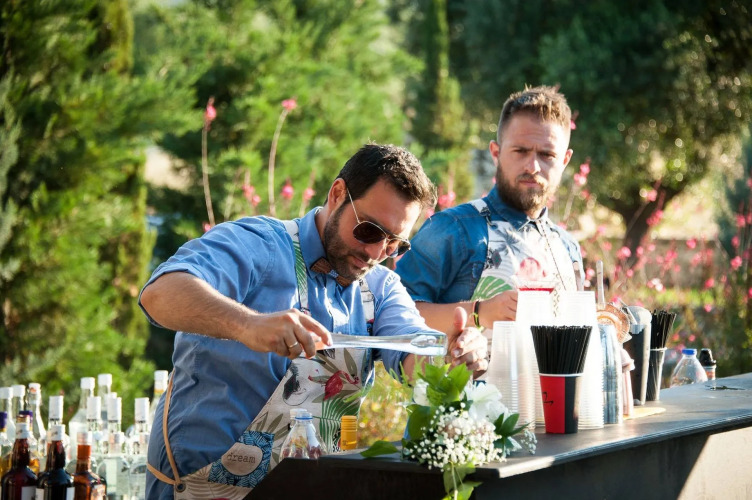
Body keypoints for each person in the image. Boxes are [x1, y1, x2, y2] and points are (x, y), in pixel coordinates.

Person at [139, 143, 489, 499]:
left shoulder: (381, 289)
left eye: (393, 244)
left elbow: (413, 351)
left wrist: (450, 357)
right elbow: (159, 294)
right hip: (200, 490)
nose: (375, 253)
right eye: (369, 230)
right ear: (337, 194)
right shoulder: (257, 244)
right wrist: (247, 325)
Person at [396, 85, 583, 334]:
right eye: (521, 151)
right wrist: (478, 313)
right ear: (496, 153)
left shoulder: (568, 248)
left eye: (547, 155)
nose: (533, 166)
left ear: (565, 160)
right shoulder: (453, 228)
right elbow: (394, 315)